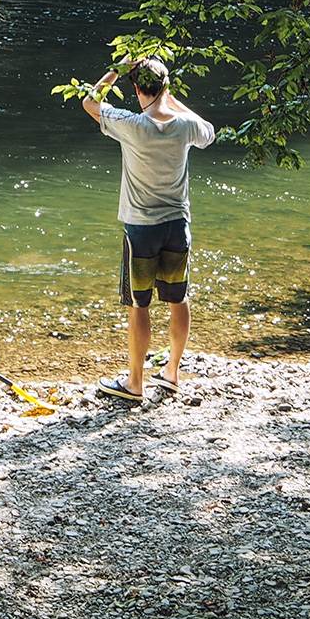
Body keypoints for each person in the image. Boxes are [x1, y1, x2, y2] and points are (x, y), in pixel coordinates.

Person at [82, 55, 215, 402]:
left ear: (137, 89)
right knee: (178, 299)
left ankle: (135, 383)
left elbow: (89, 101)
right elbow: (210, 133)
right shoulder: (185, 127)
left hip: (141, 229)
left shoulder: (130, 124)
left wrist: (116, 69)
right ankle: (171, 371)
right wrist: (169, 95)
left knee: (139, 306)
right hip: (176, 226)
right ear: (166, 88)